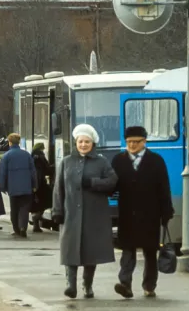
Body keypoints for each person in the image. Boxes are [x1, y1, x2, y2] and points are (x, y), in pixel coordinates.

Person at [51, 124, 117, 299]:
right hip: (71, 212)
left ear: (92, 143)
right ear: (76, 142)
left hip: (94, 214)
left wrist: (94, 183)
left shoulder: (101, 162)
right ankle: (70, 285)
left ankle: (87, 285)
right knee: (69, 250)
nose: (83, 145)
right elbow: (58, 188)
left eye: (87, 142)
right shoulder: (66, 162)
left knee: (91, 252)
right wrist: (57, 210)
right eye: (80, 142)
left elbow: (112, 182)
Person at [111, 126, 174, 299]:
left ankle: (149, 286)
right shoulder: (118, 160)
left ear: (144, 142)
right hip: (127, 214)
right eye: (129, 142)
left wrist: (166, 211)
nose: (131, 145)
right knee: (127, 251)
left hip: (151, 214)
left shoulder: (156, 160)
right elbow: (111, 184)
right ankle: (125, 284)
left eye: (136, 142)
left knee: (150, 252)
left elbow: (164, 188)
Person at [0, 133, 37, 238]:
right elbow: (33, 171)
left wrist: (2, 186)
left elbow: (2, 173)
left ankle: (16, 229)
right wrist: (34, 184)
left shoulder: (6, 156)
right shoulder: (27, 155)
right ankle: (23, 227)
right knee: (24, 208)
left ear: (10, 142)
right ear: (19, 142)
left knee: (14, 209)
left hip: (12, 187)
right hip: (26, 186)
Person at [29, 143, 53, 233]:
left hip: (32, 184)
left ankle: (36, 224)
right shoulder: (41, 156)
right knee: (48, 201)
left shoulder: (31, 156)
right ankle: (37, 217)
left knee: (35, 203)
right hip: (41, 184)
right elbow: (47, 169)